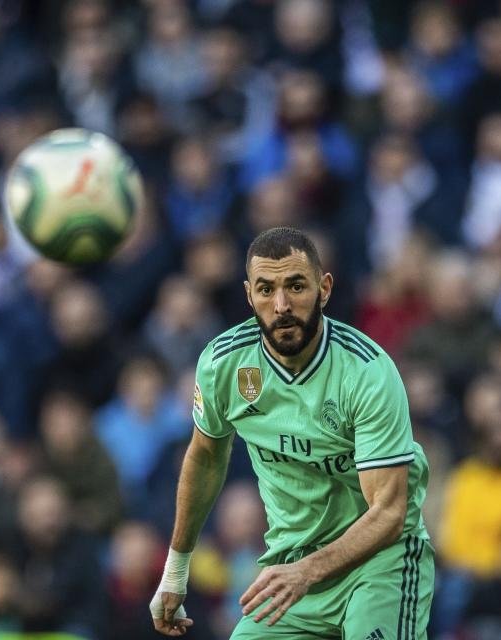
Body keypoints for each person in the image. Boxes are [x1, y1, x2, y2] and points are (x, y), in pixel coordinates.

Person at [150, 227, 433, 638]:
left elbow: (388, 513)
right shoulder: (223, 365)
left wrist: (308, 571)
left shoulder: (367, 372)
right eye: (266, 290)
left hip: (380, 562)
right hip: (290, 567)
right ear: (249, 296)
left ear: (325, 288)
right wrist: (175, 571)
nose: (281, 305)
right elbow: (206, 456)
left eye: (295, 286)